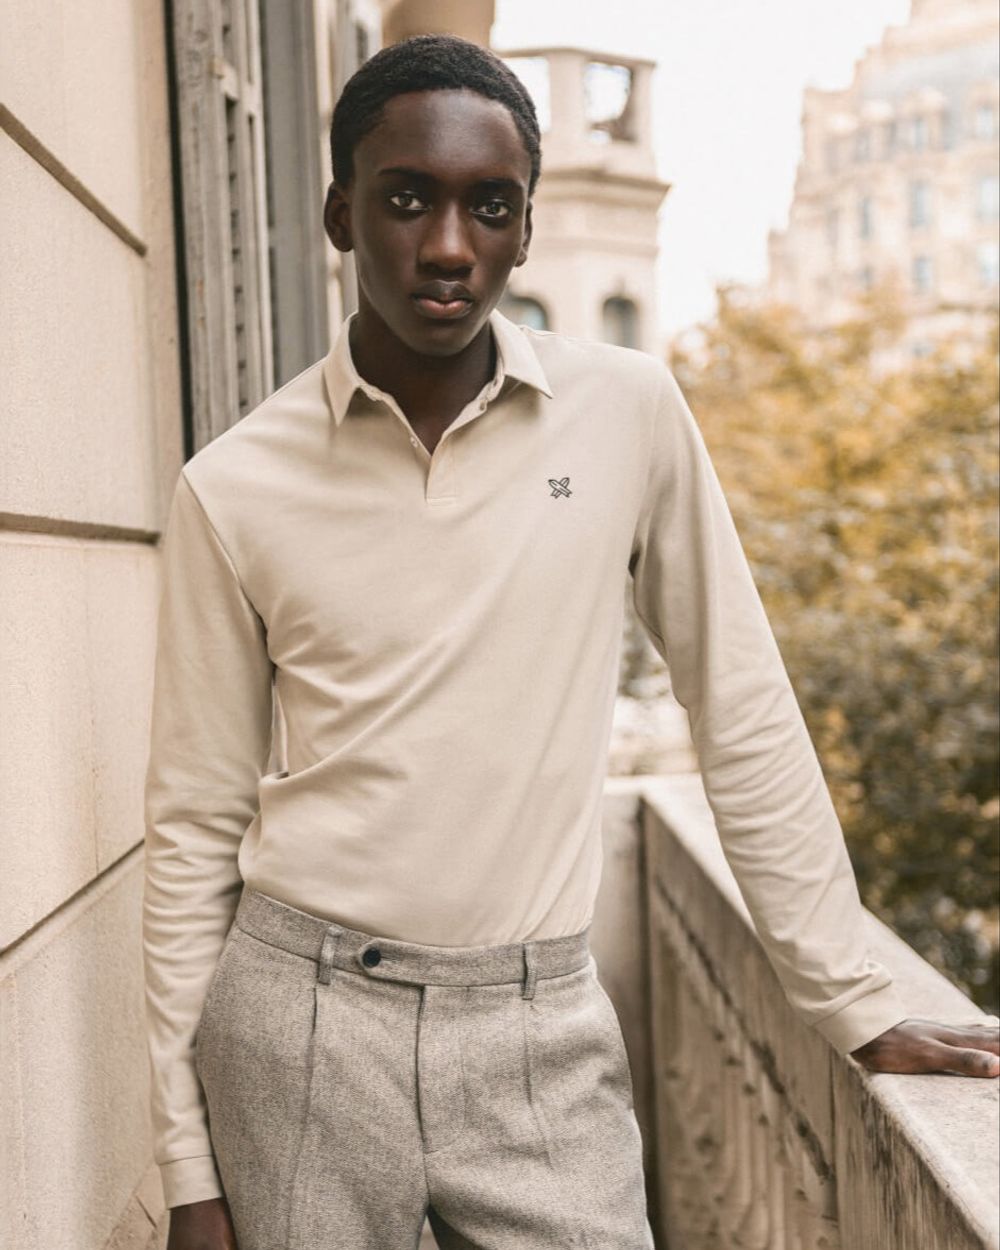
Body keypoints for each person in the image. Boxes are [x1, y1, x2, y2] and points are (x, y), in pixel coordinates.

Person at [142, 32, 1000, 1250]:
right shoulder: (232, 486)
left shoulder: (628, 413)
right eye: (406, 200)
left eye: (490, 207)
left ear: (528, 229)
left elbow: (739, 700)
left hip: (542, 1027)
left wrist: (847, 992)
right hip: (304, 1023)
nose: (449, 246)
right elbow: (189, 831)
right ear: (340, 213)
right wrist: (188, 1162)